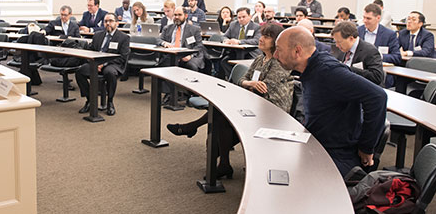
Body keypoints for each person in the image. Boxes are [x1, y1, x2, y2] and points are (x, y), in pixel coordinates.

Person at [166, 23, 292, 179]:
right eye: (262, 35)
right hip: (253, 104)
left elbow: (265, 92)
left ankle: (193, 130)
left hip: (270, 112)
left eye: (267, 37)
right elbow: (243, 79)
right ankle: (223, 163)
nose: (261, 39)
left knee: (219, 114)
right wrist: (249, 84)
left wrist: (249, 86)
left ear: (276, 42)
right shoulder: (260, 59)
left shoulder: (279, 64)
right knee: (219, 114)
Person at [274, 26, 387, 176]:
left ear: (297, 51)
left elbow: (378, 97)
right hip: (318, 144)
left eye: (279, 50)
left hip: (338, 154)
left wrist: (367, 147)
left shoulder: (328, 72)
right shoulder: (310, 70)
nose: (275, 55)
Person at [75, 13, 129, 116]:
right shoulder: (98, 35)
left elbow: (122, 57)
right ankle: (90, 100)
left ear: (117, 23)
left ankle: (110, 102)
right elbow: (91, 50)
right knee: (80, 72)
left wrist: (103, 64)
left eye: (111, 21)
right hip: (96, 63)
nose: (108, 23)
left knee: (110, 73)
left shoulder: (124, 38)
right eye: (106, 21)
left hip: (112, 63)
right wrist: (93, 62)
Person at [331, 22, 385, 86]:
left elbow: (377, 77)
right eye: (335, 42)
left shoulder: (370, 51)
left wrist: (349, 69)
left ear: (351, 39)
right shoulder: (342, 49)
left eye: (339, 42)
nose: (337, 45)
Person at [157, 7, 205, 72]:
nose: (176, 17)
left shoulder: (194, 29)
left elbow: (199, 46)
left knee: (191, 66)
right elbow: (158, 40)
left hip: (187, 56)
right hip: (171, 55)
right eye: (175, 15)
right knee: (162, 64)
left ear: (186, 16)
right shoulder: (167, 28)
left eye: (179, 15)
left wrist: (190, 56)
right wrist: (164, 43)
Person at [220, 7, 262, 78]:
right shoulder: (233, 24)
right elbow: (224, 36)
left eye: (243, 17)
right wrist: (226, 40)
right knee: (224, 61)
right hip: (235, 52)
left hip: (250, 52)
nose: (241, 19)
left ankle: (240, 79)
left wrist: (239, 42)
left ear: (250, 16)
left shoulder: (256, 27)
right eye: (239, 17)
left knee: (242, 64)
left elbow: (256, 40)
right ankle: (234, 79)